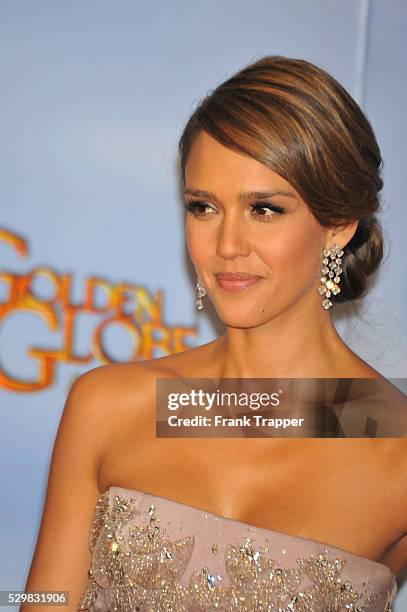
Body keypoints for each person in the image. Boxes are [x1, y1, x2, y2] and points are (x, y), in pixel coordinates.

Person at [23, 55, 406, 611]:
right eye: (203, 207)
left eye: (264, 209)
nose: (227, 244)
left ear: (339, 225)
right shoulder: (111, 406)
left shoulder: (395, 449)